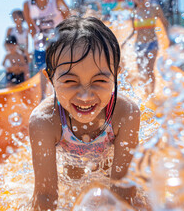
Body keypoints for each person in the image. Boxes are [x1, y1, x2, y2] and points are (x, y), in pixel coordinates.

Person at [28, 17, 149, 210]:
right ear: (50, 79)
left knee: (142, 203)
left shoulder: (126, 113)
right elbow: (45, 195)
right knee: (74, 190)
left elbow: (123, 189)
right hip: (74, 171)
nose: (85, 96)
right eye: (69, 81)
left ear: (116, 76)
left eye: (99, 80)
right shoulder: (44, 122)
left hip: (110, 166)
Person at [23, 0, 70, 100]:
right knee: (43, 70)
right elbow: (31, 27)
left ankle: (62, 96)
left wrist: (63, 36)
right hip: (42, 42)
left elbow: (69, 17)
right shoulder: (27, 5)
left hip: (61, 40)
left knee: (61, 69)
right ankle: (43, 98)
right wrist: (40, 41)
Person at [122, 0, 170, 98]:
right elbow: (134, 31)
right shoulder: (134, 12)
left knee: (149, 69)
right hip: (139, 45)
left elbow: (165, 23)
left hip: (152, 43)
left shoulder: (155, 9)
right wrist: (124, 42)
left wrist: (170, 38)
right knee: (141, 71)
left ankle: (151, 94)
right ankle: (145, 93)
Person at [6, 9, 31, 79]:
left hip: (23, 55)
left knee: (25, 74)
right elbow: (5, 44)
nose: (14, 18)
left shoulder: (26, 30)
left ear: (21, 17)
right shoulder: (10, 30)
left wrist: (24, 52)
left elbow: (27, 45)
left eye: (16, 16)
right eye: (13, 17)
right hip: (13, 56)